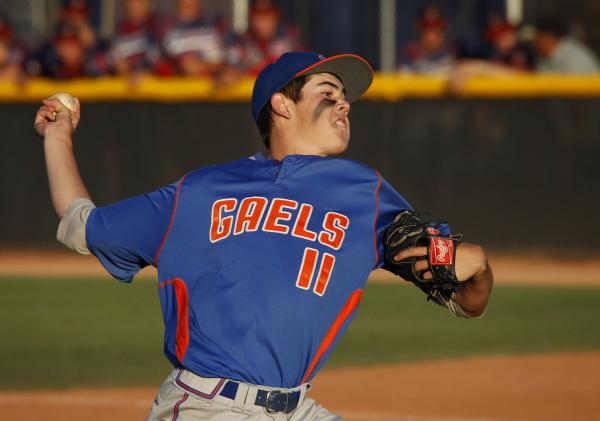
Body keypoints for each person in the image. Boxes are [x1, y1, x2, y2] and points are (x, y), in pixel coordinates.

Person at [34, 51, 493, 420]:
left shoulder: (366, 193)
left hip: (296, 408)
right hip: (207, 407)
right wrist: (57, 138)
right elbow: (82, 226)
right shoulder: (200, 191)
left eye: (345, 96)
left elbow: (467, 299)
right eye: (328, 92)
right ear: (282, 103)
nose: (345, 103)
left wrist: (477, 268)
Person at [228, 0, 304, 76]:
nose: (264, 21)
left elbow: (304, 67)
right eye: (258, 16)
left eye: (269, 15)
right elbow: (230, 71)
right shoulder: (241, 42)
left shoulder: (290, 38)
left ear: (277, 16)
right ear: (250, 17)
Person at [398, 4, 455, 74]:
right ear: (418, 28)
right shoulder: (408, 54)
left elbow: (470, 66)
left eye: (436, 29)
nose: (431, 36)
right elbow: (402, 77)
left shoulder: (454, 51)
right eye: (427, 29)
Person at [534, 16, 600, 74]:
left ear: (548, 38)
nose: (535, 42)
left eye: (538, 37)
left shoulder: (574, 57)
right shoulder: (543, 58)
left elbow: (576, 87)